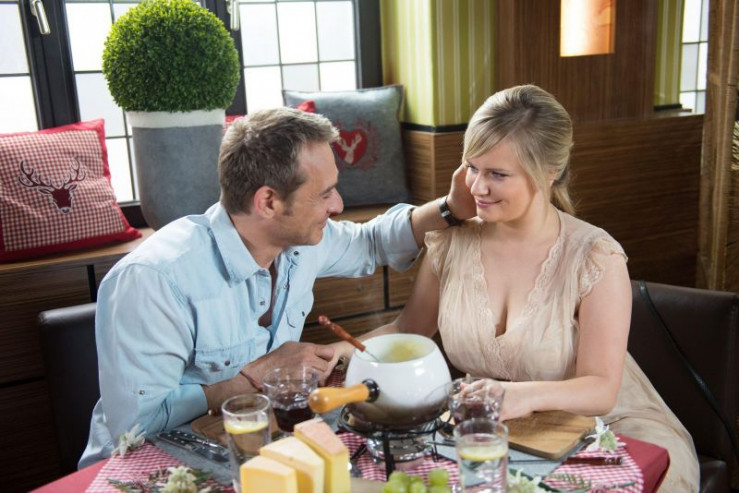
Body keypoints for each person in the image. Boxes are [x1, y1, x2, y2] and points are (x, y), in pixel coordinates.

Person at [344, 85, 699, 490]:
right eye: (472, 167)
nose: (477, 187)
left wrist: (519, 397)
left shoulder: (596, 257)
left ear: (549, 172)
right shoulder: (450, 241)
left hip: (611, 429)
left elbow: (601, 389)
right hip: (503, 430)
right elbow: (408, 331)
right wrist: (336, 351)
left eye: (497, 174)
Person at [79, 107, 475, 467]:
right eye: (324, 194)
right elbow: (136, 430)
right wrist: (257, 376)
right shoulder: (153, 280)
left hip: (251, 455)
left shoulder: (299, 242)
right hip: (143, 471)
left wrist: (452, 208)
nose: (337, 205)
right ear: (268, 202)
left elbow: (373, 242)